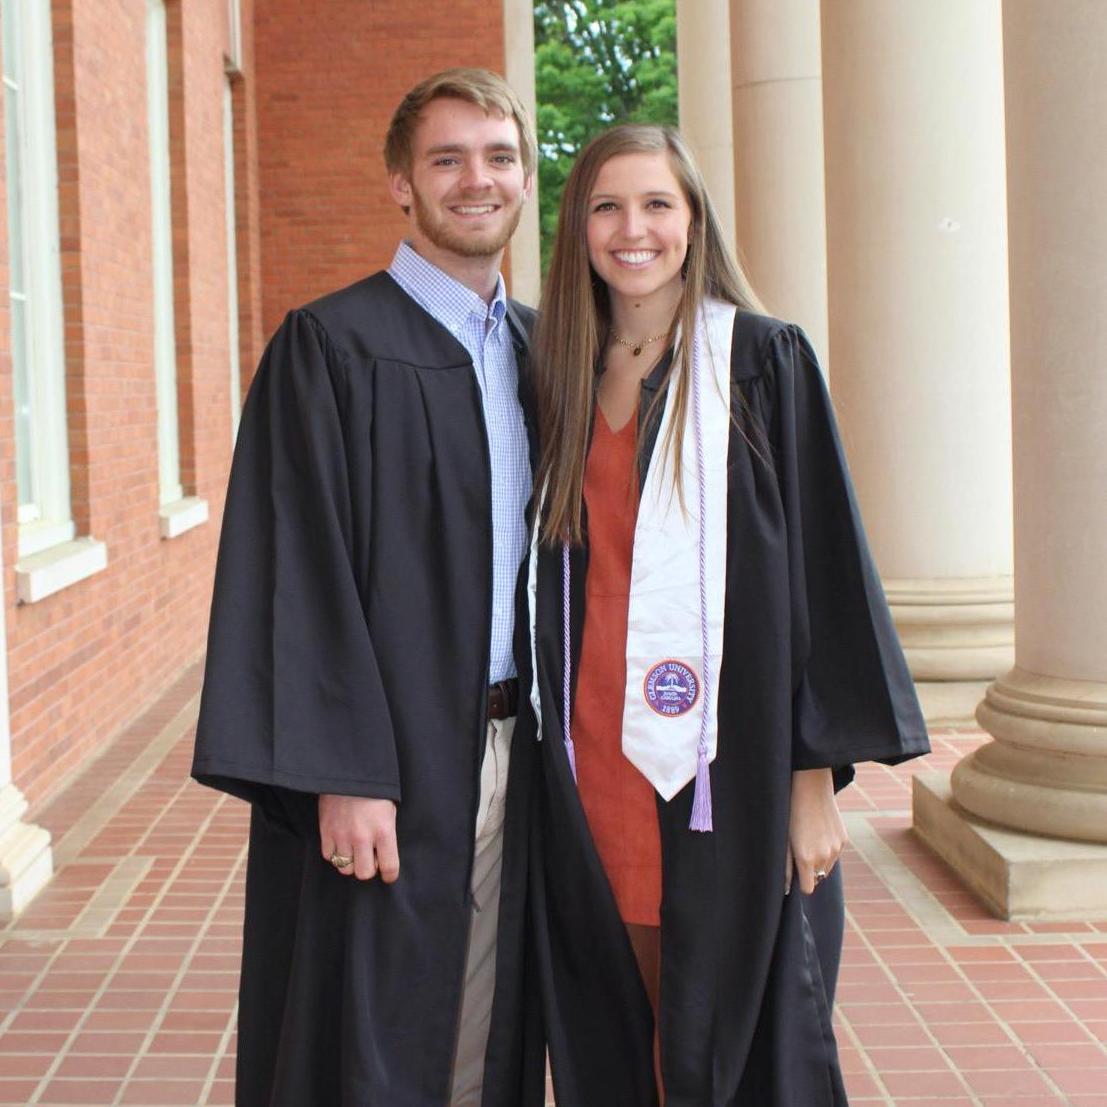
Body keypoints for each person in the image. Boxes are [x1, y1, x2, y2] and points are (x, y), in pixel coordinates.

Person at [518, 123, 930, 1105]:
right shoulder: (556, 378)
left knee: (736, 1038)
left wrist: (809, 779)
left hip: (722, 767)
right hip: (585, 760)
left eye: (657, 204)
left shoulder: (760, 361)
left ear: (695, 221)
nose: (633, 229)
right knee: (618, 1025)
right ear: (576, 227)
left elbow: (822, 581)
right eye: (607, 206)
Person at [191, 68, 547, 1106]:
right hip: (386, 759)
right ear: (401, 184)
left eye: (497, 157)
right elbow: (293, 569)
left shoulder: (544, 349)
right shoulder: (331, 345)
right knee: (367, 1026)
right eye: (446, 159)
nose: (474, 180)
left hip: (521, 748)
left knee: (488, 1017)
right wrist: (343, 770)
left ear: (524, 180)